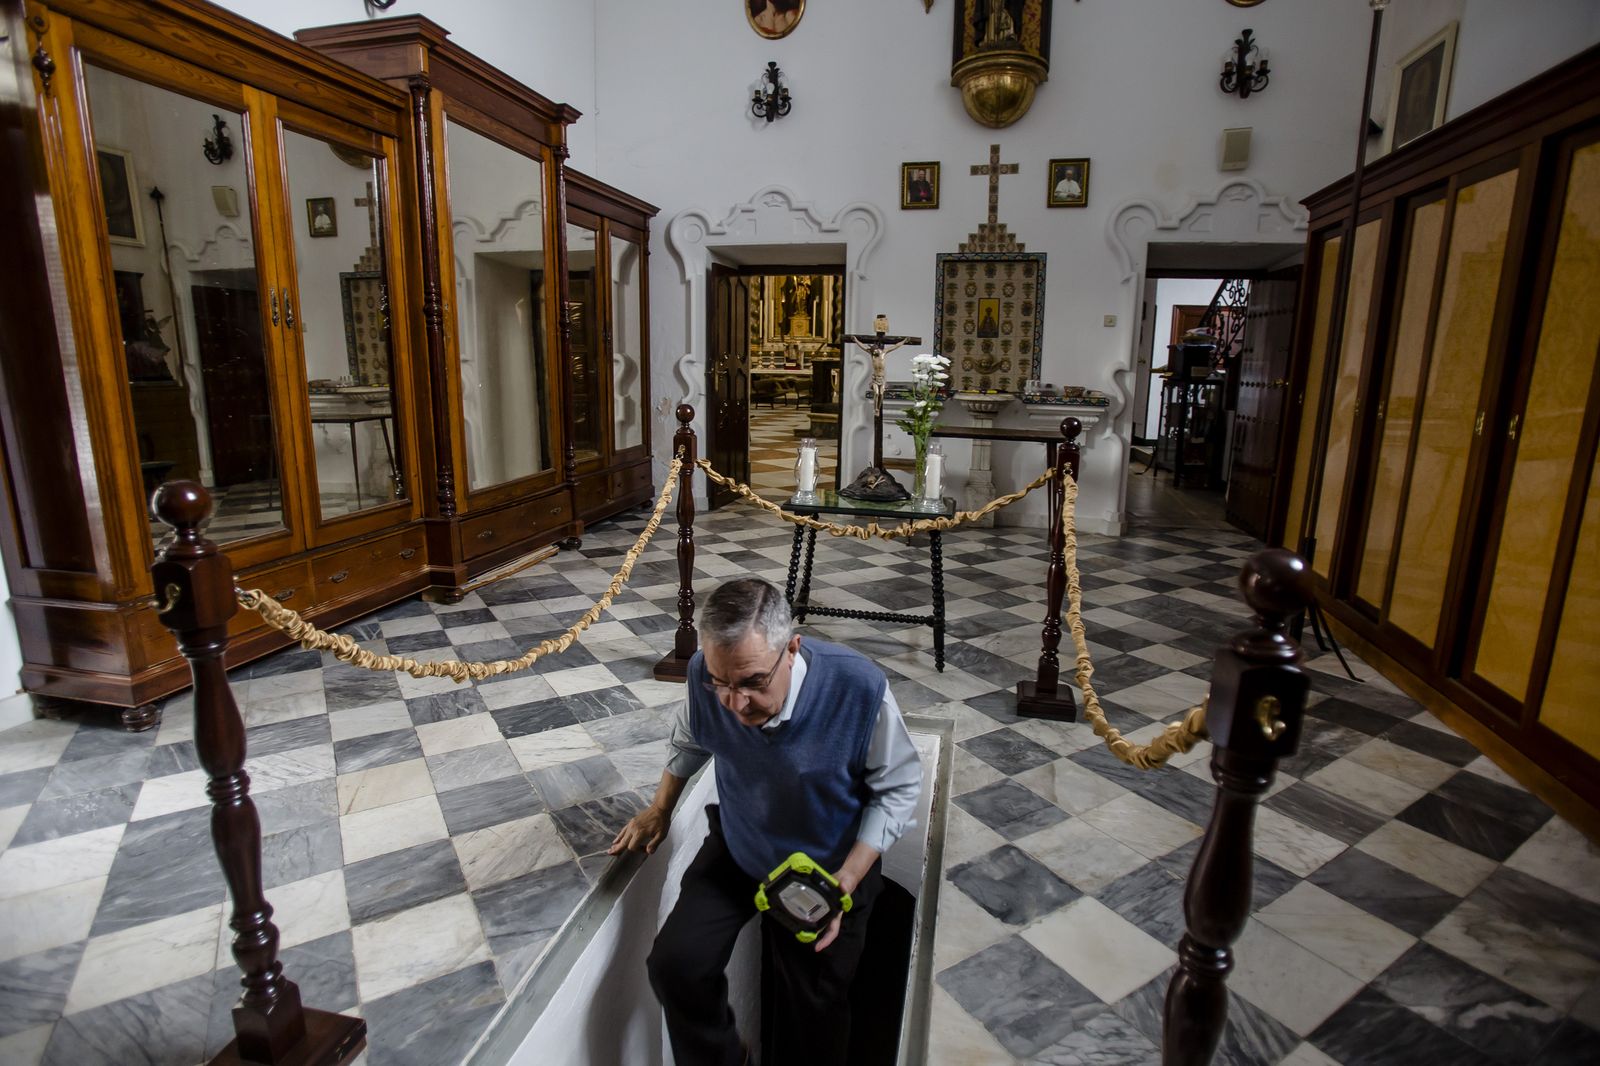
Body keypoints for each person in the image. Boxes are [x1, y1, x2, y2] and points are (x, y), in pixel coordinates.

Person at [610, 577, 921, 1066]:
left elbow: (898, 788)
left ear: (792, 649)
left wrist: (848, 879)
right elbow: (691, 737)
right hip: (741, 844)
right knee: (677, 966)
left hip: (830, 868)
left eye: (753, 682)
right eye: (722, 683)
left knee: (811, 1020)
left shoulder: (858, 688)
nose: (735, 703)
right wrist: (660, 809)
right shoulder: (703, 674)